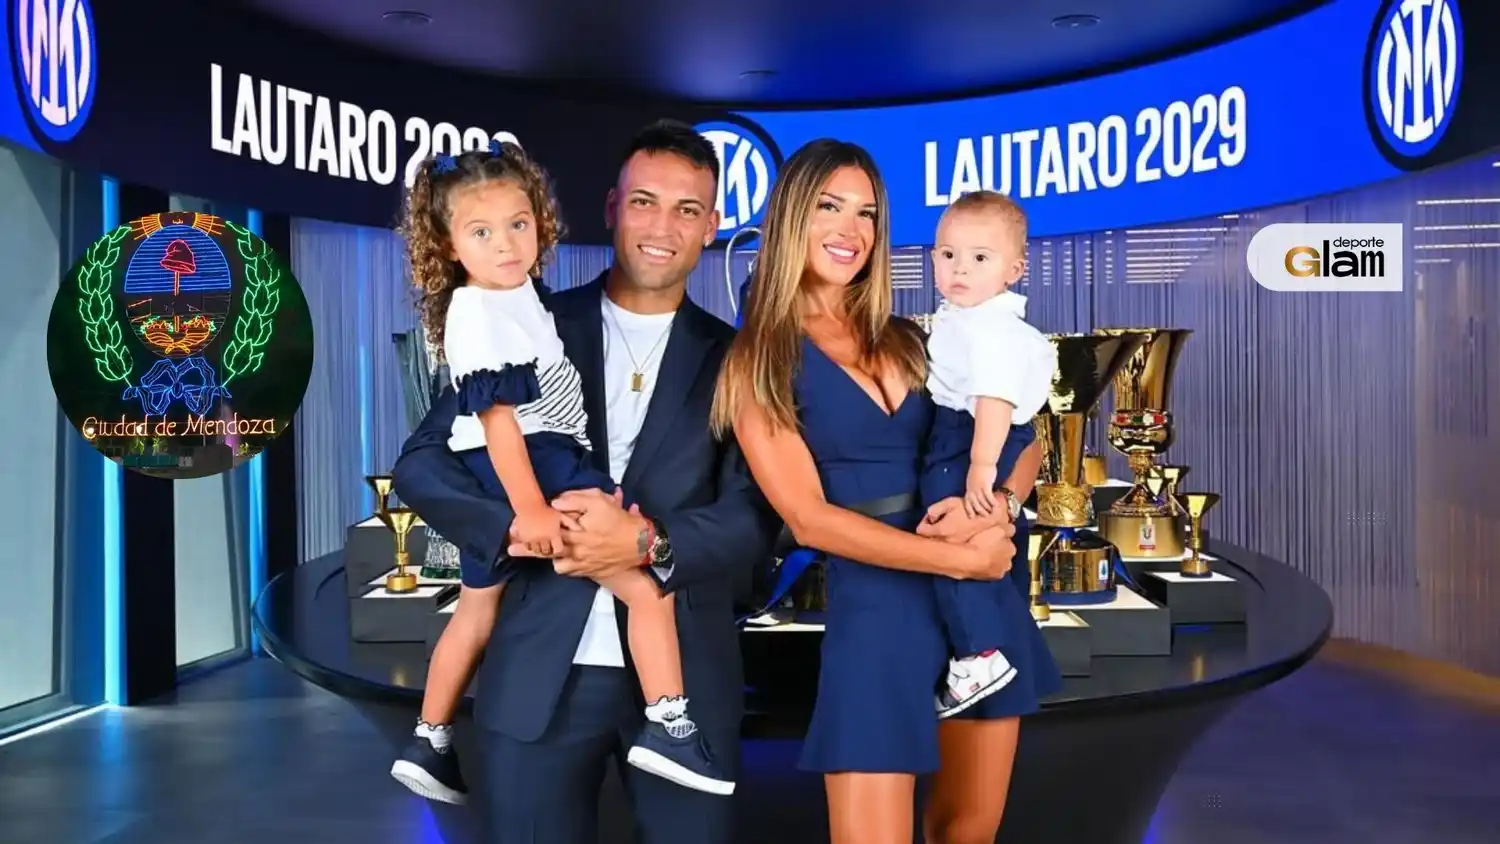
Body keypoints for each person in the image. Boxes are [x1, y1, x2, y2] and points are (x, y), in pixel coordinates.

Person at [392, 119, 780, 844]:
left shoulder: (739, 359)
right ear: (612, 207)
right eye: (644, 202)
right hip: (537, 675)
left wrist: (649, 542)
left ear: (713, 225)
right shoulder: (526, 317)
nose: (662, 226)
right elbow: (422, 462)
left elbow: (758, 516)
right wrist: (515, 527)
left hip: (686, 683)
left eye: (687, 209)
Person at [712, 139, 1057, 844]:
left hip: (980, 608)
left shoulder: (916, 337)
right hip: (878, 614)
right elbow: (808, 519)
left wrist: (1000, 514)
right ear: (788, 217)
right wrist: (959, 558)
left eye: (867, 213)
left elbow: (1030, 437)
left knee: (968, 831)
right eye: (829, 207)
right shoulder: (759, 356)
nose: (851, 230)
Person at [923, 190, 1059, 718]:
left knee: (951, 541)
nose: (960, 269)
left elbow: (994, 400)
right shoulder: (971, 318)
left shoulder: (989, 328)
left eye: (980, 258)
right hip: (973, 437)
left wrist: (981, 467)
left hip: (970, 439)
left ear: (1014, 269)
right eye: (948, 254)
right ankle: (984, 643)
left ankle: (978, 653)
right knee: (972, 539)